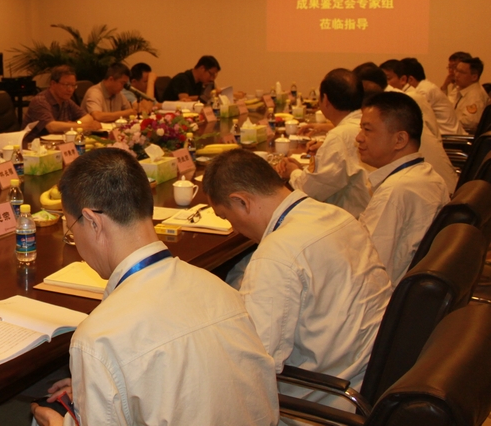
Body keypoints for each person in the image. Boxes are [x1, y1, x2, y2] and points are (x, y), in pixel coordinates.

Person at [31, 148, 279, 426]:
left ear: (93, 222)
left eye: (71, 228)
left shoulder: (99, 339)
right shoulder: (222, 290)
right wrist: (102, 384)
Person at [204, 149, 391, 408]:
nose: (234, 228)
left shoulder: (276, 256)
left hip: (322, 401)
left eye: (226, 217)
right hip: (373, 375)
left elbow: (254, 367)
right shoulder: (339, 215)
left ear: (242, 202)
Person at [356, 92, 449, 287]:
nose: (359, 138)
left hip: (387, 295)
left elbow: (367, 268)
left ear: (399, 140)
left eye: (367, 130)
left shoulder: (396, 191)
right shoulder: (428, 175)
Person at [275, 69, 371, 218]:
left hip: (350, 219)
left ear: (325, 99)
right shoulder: (365, 124)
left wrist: (293, 172)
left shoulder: (340, 136)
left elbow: (311, 191)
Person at [356, 63, 457, 192]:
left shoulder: (390, 110)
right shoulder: (394, 105)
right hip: (434, 180)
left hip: (433, 184)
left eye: (367, 130)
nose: (358, 138)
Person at [23, 66, 101, 141]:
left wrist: (75, 124)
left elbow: (88, 118)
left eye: (73, 85)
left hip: (59, 144)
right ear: (53, 84)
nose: (70, 90)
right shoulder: (40, 101)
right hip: (33, 146)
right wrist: (86, 126)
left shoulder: (66, 100)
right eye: (67, 85)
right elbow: (52, 127)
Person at [380, 58, 441, 139]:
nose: (384, 84)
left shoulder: (410, 97)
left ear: (403, 80)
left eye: (388, 79)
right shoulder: (409, 93)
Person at [401, 57, 463, 135]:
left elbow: (412, 118)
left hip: (449, 136)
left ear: (410, 79)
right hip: (445, 134)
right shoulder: (426, 86)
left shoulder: (424, 91)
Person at [81, 63, 152, 122]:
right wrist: (125, 113)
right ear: (111, 79)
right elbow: (98, 116)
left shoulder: (118, 93)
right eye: (122, 83)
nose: (123, 87)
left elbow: (130, 111)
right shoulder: (94, 93)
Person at [453, 56, 488, 134]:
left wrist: (449, 120)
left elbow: (471, 122)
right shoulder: (459, 90)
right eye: (456, 70)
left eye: (462, 72)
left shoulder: (476, 95)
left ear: (474, 77)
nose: (456, 75)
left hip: (465, 137)